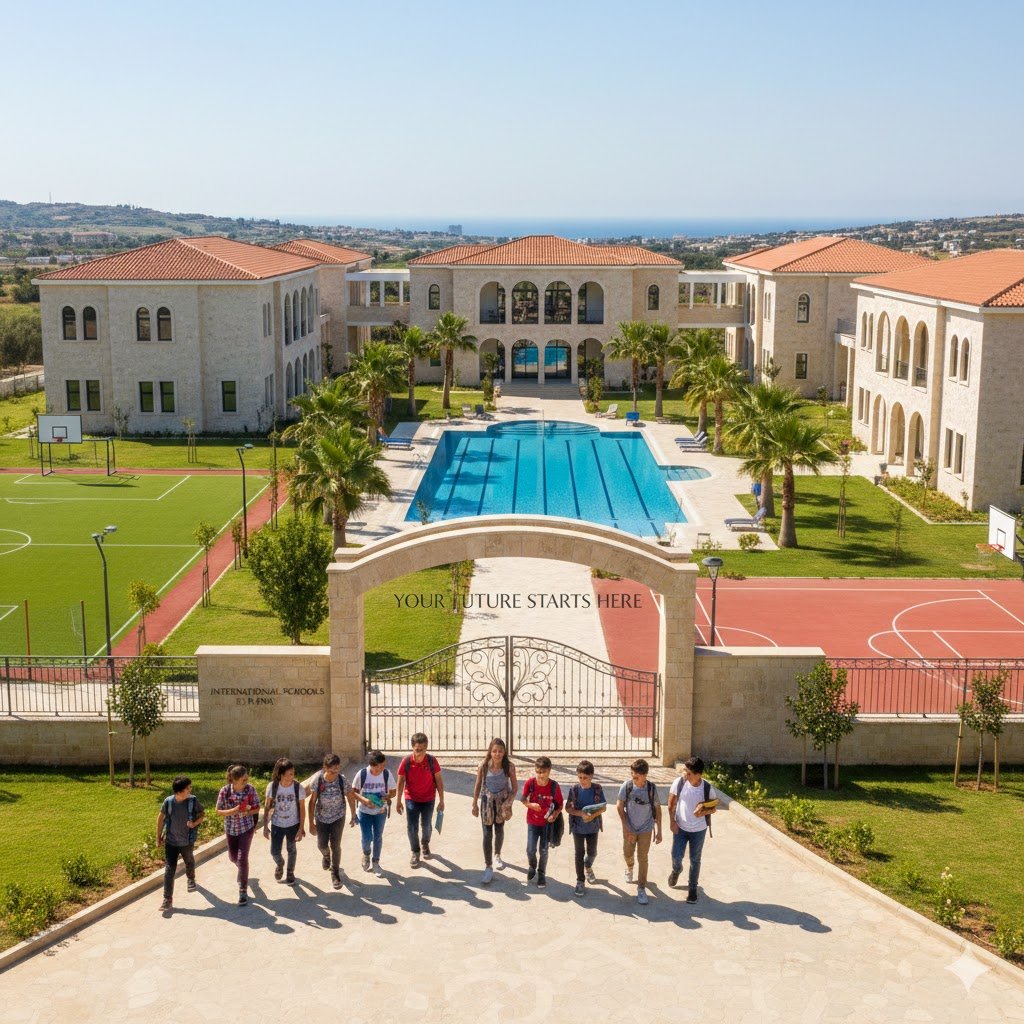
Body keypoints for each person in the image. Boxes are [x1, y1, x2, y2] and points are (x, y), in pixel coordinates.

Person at [668, 756, 718, 904]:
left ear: (698, 774)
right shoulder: (680, 783)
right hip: (681, 828)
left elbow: (713, 807)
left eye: (689, 772)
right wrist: (672, 822)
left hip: (699, 830)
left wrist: (703, 812)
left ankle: (692, 890)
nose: (685, 774)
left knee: (695, 860)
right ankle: (676, 870)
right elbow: (671, 804)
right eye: (685, 770)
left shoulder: (707, 788)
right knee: (676, 856)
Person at [471, 737, 518, 884]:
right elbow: (478, 786)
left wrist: (508, 803)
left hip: (502, 803)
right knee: (487, 834)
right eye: (494, 751)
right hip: (487, 803)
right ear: (490, 752)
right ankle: (488, 866)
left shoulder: (509, 767)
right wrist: (474, 804)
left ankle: (497, 854)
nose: (497, 754)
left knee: (499, 830)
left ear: (504, 753)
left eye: (500, 751)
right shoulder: (483, 766)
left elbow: (515, 787)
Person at [616, 758, 662, 906]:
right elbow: (619, 806)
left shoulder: (651, 789)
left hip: (646, 829)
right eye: (632, 775)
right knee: (627, 853)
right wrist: (625, 827)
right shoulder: (627, 786)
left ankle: (641, 888)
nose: (633, 778)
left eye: (636, 776)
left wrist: (659, 831)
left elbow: (658, 809)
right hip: (630, 827)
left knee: (643, 858)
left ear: (645, 775)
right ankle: (629, 868)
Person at [396, 732, 445, 868]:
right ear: (412, 748)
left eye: (422, 750)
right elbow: (400, 781)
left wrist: (442, 800)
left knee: (427, 825)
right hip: (411, 798)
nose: (419, 753)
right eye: (417, 750)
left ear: (426, 748)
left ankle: (425, 843)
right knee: (412, 827)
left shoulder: (431, 761)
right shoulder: (406, 761)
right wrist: (398, 800)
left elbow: (439, 781)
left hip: (429, 798)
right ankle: (415, 852)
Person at [307, 752, 356, 890]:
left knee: (336, 845)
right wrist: (311, 823)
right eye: (331, 769)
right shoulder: (318, 780)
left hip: (338, 817)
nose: (334, 772)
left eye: (337, 769)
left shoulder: (342, 780)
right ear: (325, 767)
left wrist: (353, 814)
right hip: (321, 818)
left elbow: (350, 796)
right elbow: (312, 802)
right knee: (322, 844)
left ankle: (335, 873)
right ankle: (326, 855)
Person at [156, 775, 204, 913]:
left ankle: (191, 879)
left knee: (189, 860)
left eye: (190, 787)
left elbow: (202, 814)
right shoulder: (168, 802)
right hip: (171, 842)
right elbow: (160, 819)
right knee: (169, 869)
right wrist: (157, 837)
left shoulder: (193, 801)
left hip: (186, 841)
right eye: (188, 788)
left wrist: (194, 823)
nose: (190, 790)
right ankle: (167, 899)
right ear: (179, 792)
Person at [216, 764, 261, 905]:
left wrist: (248, 811)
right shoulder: (225, 791)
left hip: (246, 828)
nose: (246, 781)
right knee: (233, 857)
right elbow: (218, 811)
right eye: (243, 779)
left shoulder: (250, 789)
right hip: (230, 829)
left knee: (242, 859)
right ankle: (243, 870)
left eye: (247, 778)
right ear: (234, 781)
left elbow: (258, 807)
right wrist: (233, 811)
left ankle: (243, 890)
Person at [565, 759, 606, 898]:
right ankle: (580, 881)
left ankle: (588, 866)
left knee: (592, 852)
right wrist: (580, 813)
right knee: (578, 854)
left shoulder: (598, 789)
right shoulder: (574, 789)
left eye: (585, 778)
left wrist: (592, 815)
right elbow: (568, 808)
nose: (582, 780)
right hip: (578, 828)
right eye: (580, 777)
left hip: (593, 827)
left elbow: (603, 807)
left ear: (592, 776)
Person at [262, 757, 307, 885]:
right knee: (274, 851)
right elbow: (267, 807)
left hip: (293, 824)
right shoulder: (273, 786)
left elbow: (302, 808)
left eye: (293, 773)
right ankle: (280, 863)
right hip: (277, 824)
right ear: (281, 774)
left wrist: (301, 827)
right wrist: (265, 826)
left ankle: (290, 872)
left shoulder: (298, 787)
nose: (292, 776)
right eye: (289, 774)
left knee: (291, 849)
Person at [352, 750, 397, 877]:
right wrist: (364, 800)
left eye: (383, 766)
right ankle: (366, 854)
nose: (381, 769)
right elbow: (353, 792)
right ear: (371, 765)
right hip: (364, 812)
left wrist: (387, 796)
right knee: (367, 838)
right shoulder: (362, 774)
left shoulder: (386, 774)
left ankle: (376, 862)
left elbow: (394, 791)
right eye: (378, 767)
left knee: (378, 837)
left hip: (380, 812)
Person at [520, 755, 563, 890]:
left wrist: (554, 815)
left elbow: (559, 805)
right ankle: (532, 865)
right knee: (530, 849)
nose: (540, 775)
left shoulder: (554, 787)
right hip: (532, 822)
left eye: (543, 772)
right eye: (538, 772)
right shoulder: (530, 783)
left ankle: (541, 872)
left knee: (543, 851)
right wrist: (530, 805)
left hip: (546, 824)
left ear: (549, 771)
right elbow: (523, 799)